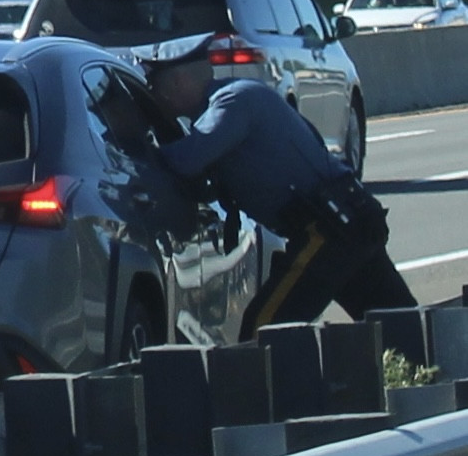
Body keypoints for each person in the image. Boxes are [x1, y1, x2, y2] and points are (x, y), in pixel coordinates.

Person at [140, 32, 415, 339]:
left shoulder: (232, 103)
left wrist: (137, 143)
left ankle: (282, 388)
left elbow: (184, 161)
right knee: (400, 328)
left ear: (177, 82)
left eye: (156, 86)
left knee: (266, 333)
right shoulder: (242, 97)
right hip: (349, 221)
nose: (155, 96)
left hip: (327, 229)